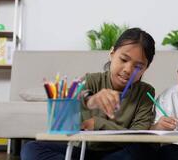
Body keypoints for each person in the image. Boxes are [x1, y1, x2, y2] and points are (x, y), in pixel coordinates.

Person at [21, 28, 156, 160]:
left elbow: (138, 137)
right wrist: (90, 100)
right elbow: (65, 113)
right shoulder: (91, 80)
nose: (128, 70)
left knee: (142, 150)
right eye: (124, 60)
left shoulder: (146, 92)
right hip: (82, 150)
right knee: (31, 149)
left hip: (119, 153)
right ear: (112, 53)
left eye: (138, 67)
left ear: (146, 68)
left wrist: (98, 124)